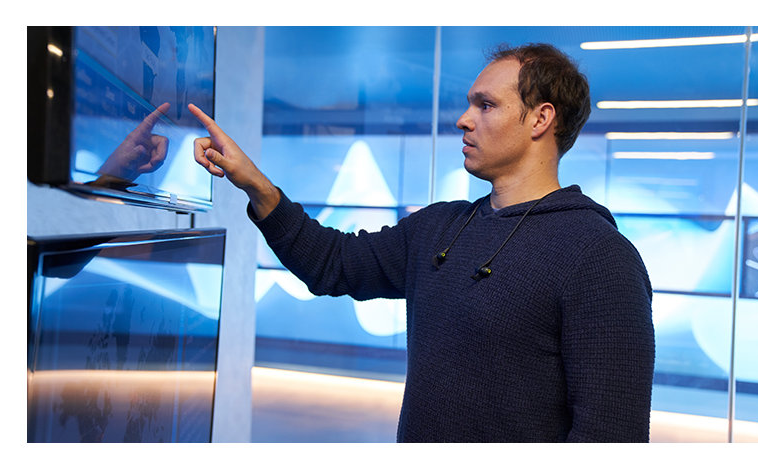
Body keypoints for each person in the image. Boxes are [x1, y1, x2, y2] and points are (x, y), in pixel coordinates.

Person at [188, 43, 655, 443]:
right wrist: (256, 185)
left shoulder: (599, 258)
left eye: (485, 105)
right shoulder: (440, 227)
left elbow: (610, 440)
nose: (462, 120)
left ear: (540, 119)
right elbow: (332, 263)